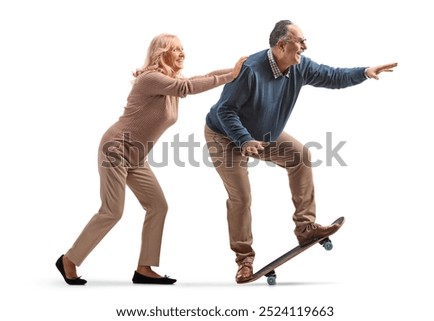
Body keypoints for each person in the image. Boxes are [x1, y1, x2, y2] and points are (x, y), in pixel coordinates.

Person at [204, 20, 397, 283]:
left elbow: (332, 76)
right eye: (300, 41)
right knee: (241, 197)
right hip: (225, 136)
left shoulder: (299, 66)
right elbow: (226, 110)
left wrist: (364, 72)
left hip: (264, 134)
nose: (305, 46)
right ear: (282, 45)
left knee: (300, 156)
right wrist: (244, 139)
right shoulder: (250, 69)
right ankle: (244, 260)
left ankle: (306, 228)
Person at [56, 33, 247, 285]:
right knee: (112, 211)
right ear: (161, 53)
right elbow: (187, 88)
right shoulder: (150, 79)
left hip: (135, 157)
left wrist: (237, 70)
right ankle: (69, 260)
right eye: (175, 49)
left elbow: (196, 79)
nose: (182, 53)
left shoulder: (169, 82)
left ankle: (144, 269)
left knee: (158, 206)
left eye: (183, 49)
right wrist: (231, 75)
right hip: (115, 150)